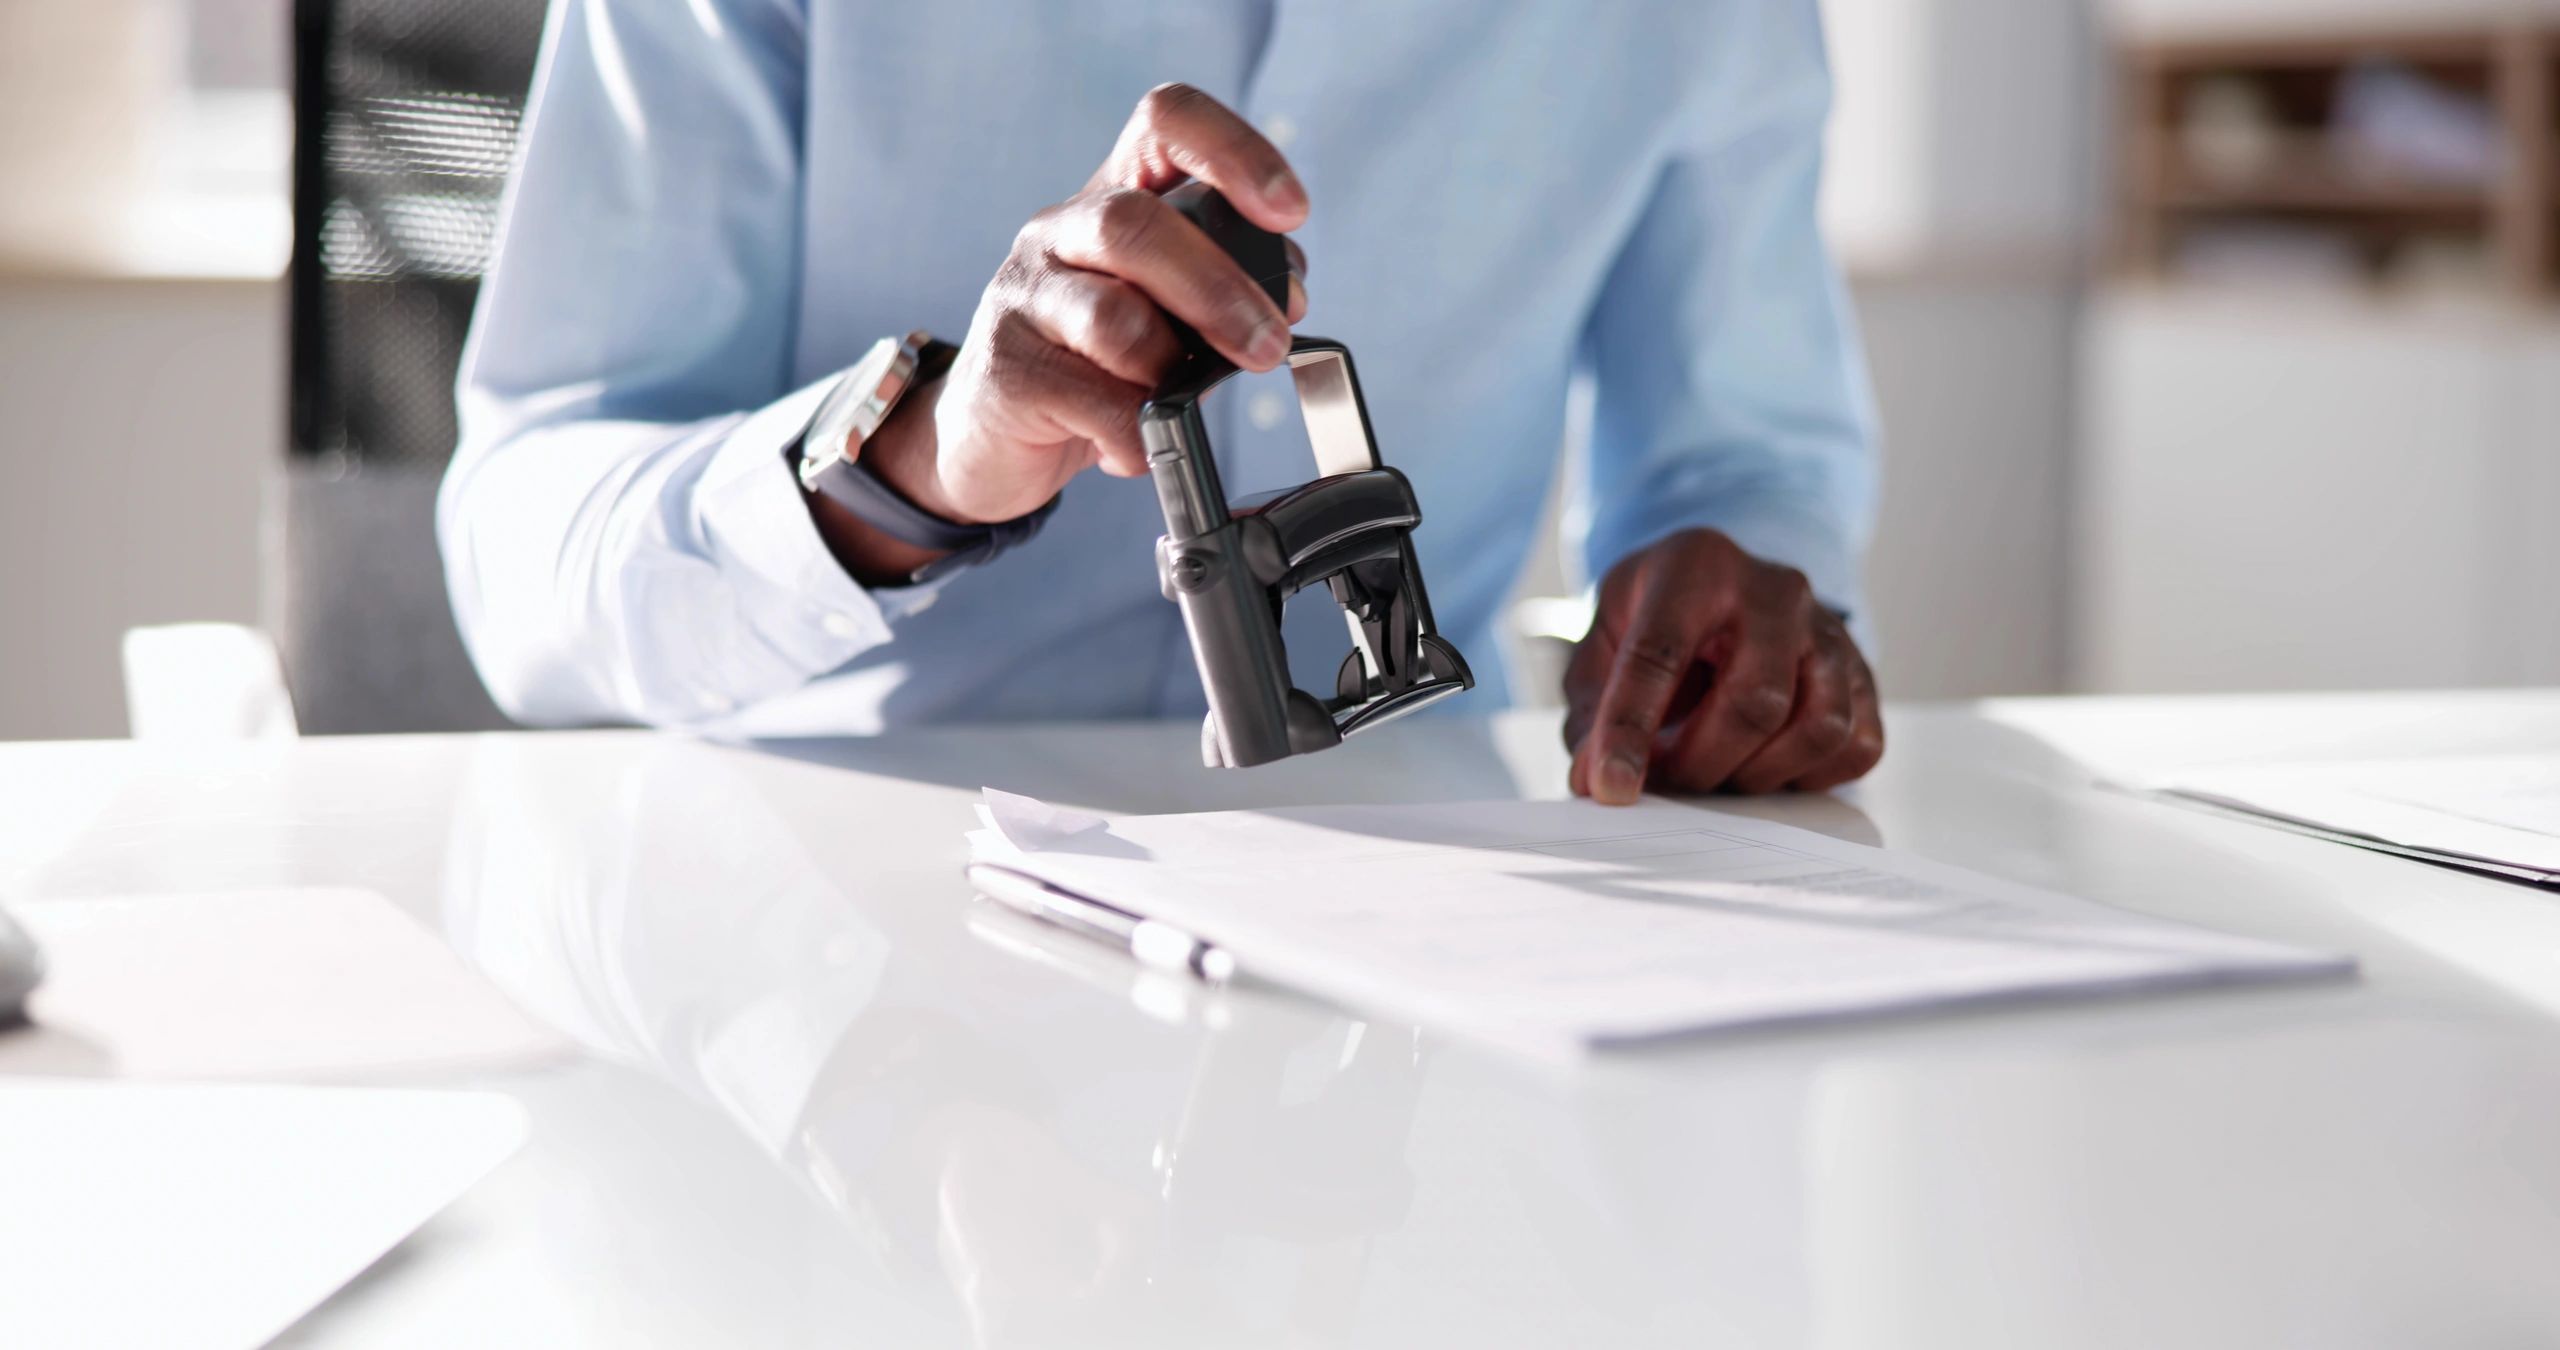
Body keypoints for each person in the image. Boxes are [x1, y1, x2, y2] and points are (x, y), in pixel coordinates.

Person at [440, 2, 1885, 802]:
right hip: (840, 906)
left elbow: (1743, 460)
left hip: (1432, 903)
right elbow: (522, 558)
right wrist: (913, 460)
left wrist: (1746, 609)